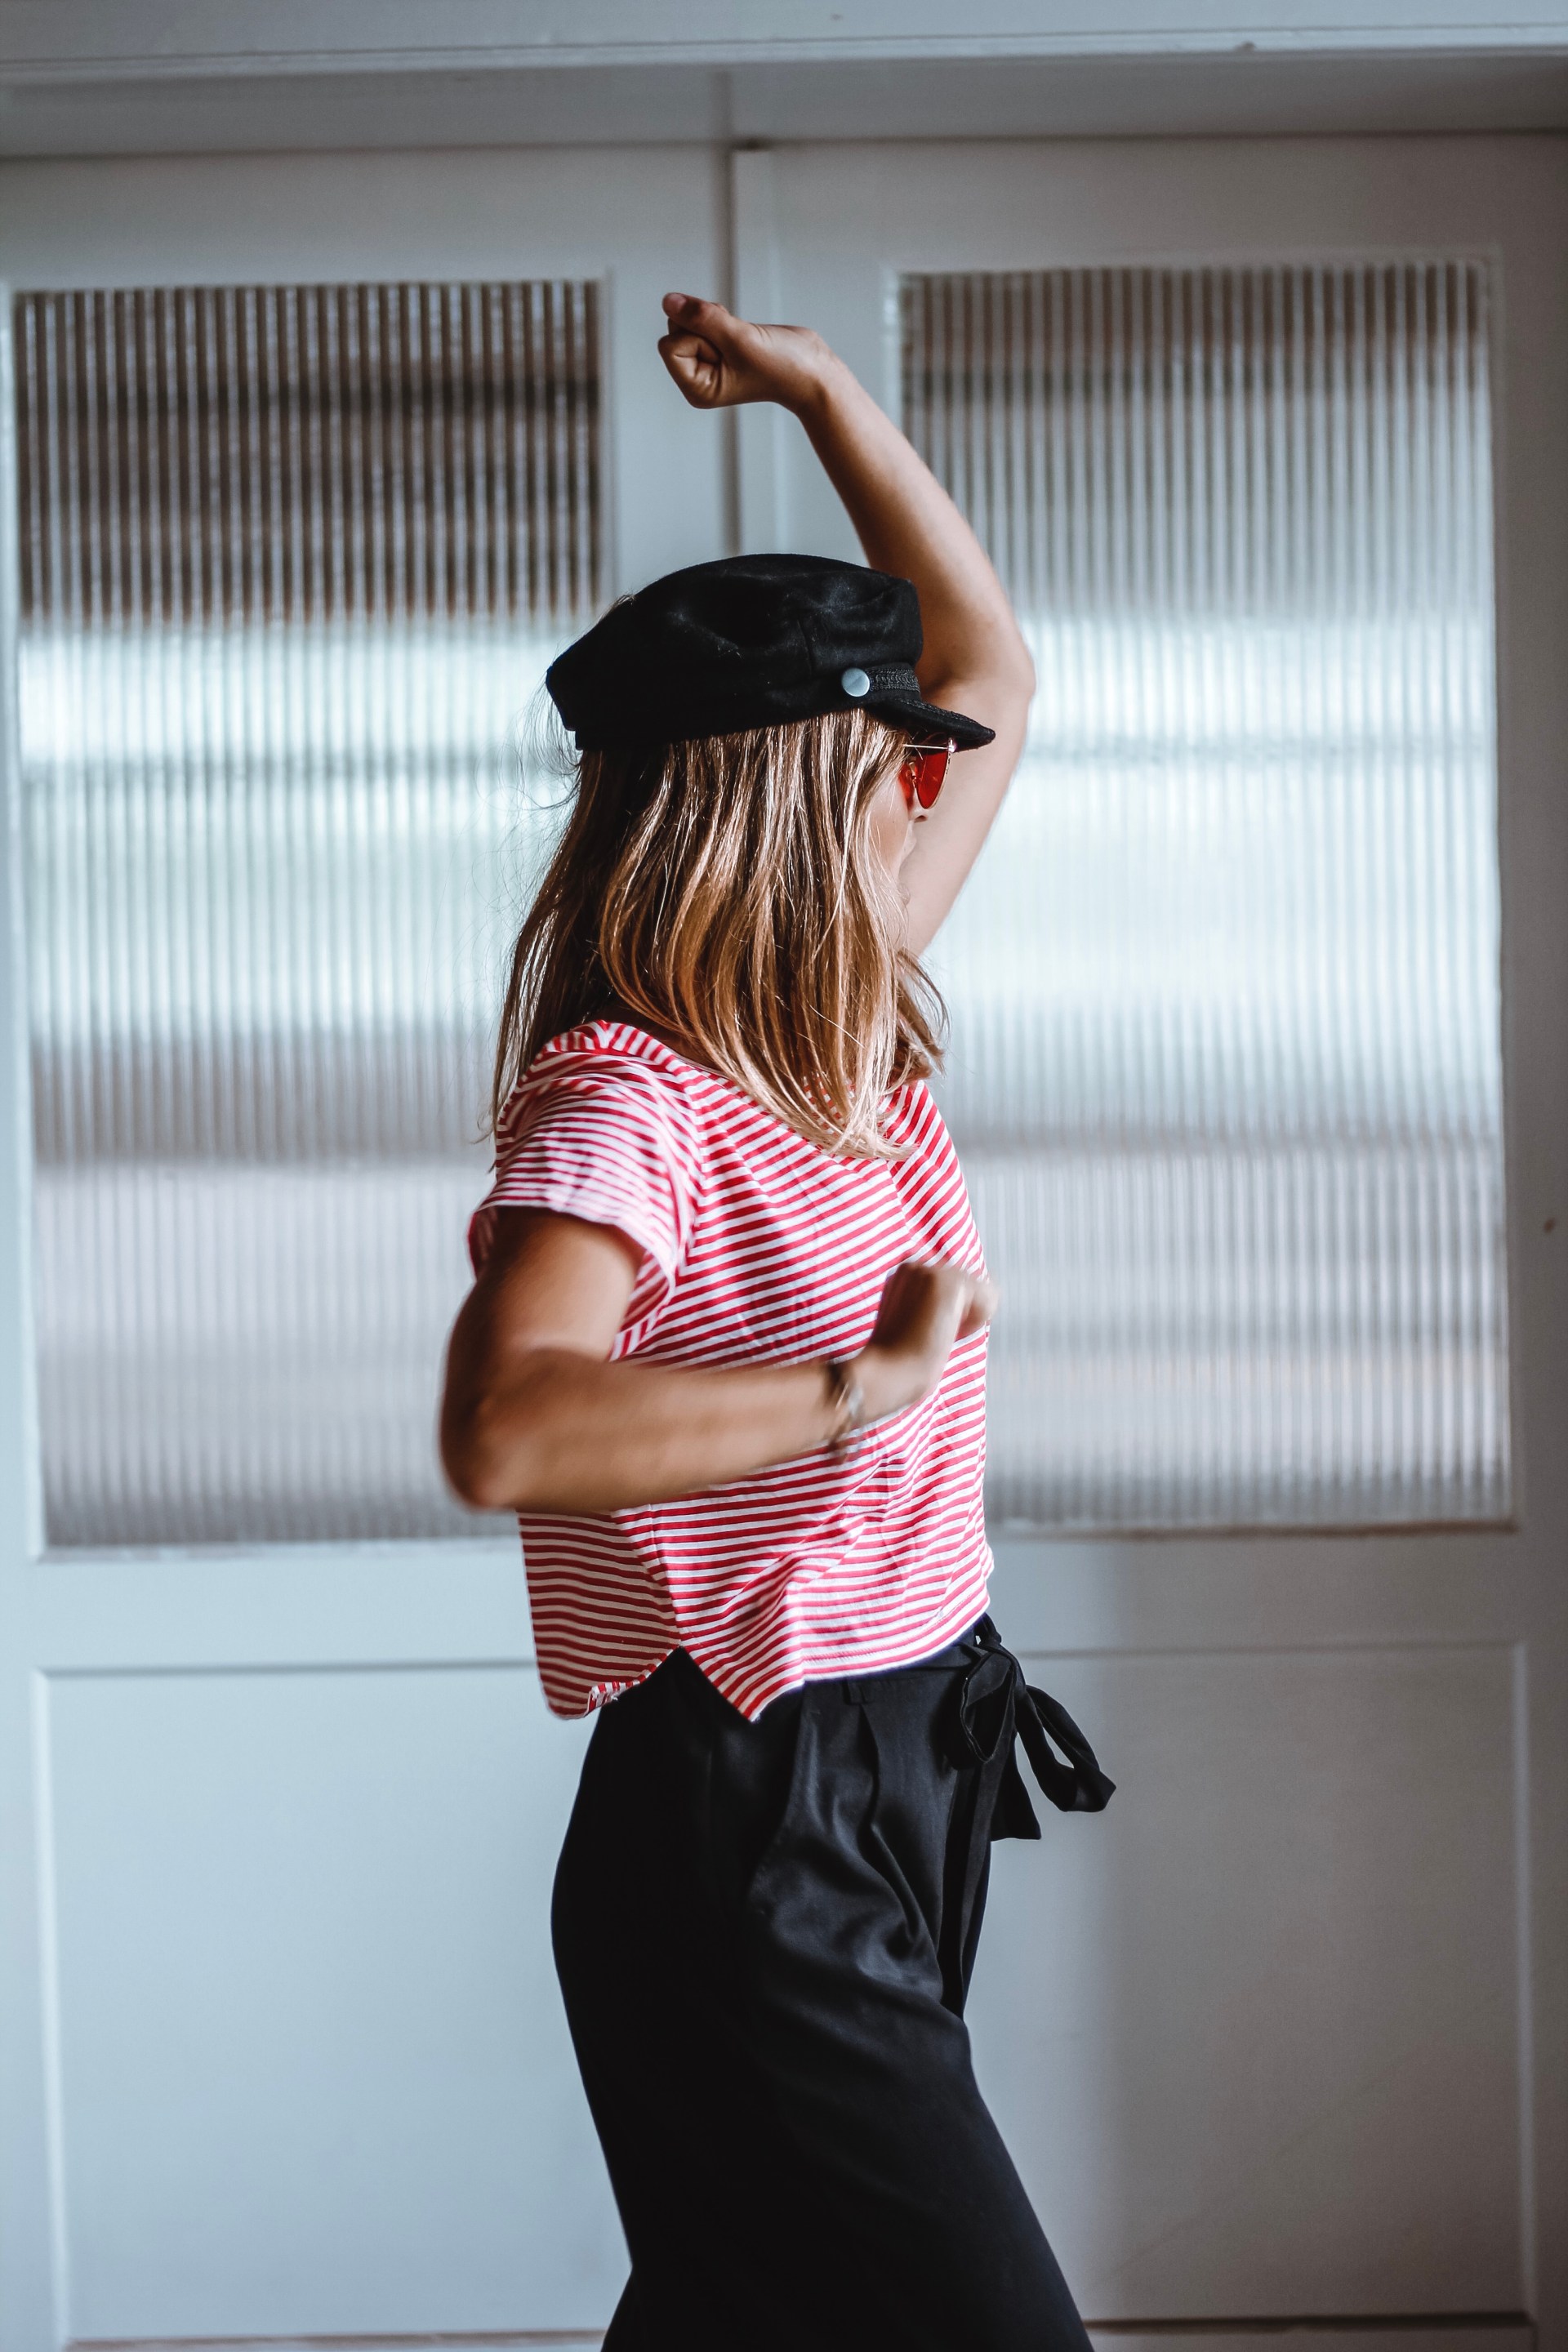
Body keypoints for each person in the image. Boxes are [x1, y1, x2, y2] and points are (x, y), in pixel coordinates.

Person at [439, 292, 1112, 2352]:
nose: (930, 777)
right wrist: (853, 1387)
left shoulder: (841, 1010)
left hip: (908, 1751)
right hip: (754, 1803)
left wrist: (820, 389)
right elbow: (510, 1423)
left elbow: (994, 668)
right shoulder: (628, 1097)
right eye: (891, 759)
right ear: (789, 803)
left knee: (755, 2311)